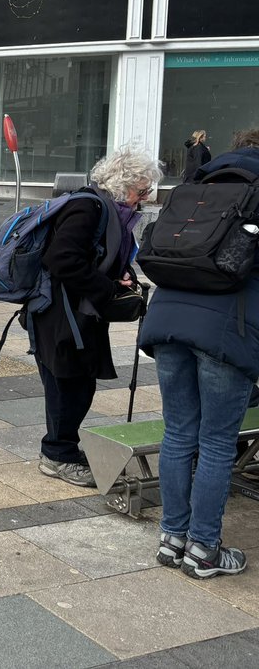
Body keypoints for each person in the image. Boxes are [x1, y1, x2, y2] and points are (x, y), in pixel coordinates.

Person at [139, 128, 259, 579]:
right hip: (227, 329)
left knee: (179, 433)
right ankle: (204, 550)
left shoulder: (200, 183)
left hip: (168, 319)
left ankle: (173, 540)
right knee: (215, 441)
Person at [31, 145, 161, 488]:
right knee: (68, 383)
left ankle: (62, 449)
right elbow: (61, 259)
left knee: (78, 381)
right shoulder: (88, 207)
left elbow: (99, 255)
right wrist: (106, 286)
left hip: (77, 311)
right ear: (123, 183)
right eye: (142, 190)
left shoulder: (106, 209)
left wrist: (123, 275)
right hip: (61, 314)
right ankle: (56, 455)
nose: (144, 198)